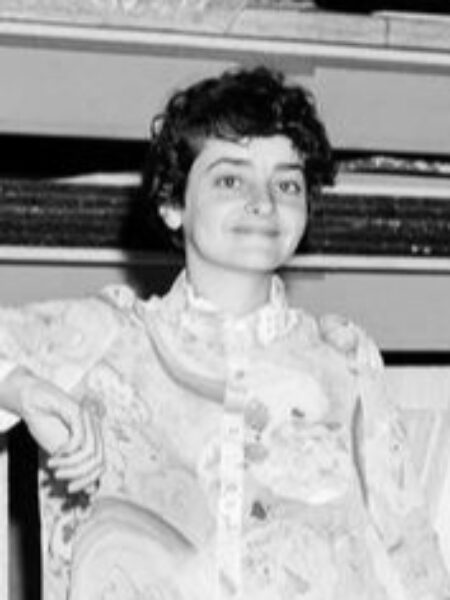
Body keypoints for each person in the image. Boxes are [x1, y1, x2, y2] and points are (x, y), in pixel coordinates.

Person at [0, 65, 449, 600]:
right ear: (172, 204)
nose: (264, 201)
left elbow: (410, 553)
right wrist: (21, 389)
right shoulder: (109, 337)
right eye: (231, 180)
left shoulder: (344, 360)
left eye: (287, 183)